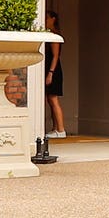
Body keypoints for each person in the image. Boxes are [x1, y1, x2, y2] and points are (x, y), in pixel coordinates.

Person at [43, 9, 67, 139]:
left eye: (47, 18)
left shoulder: (54, 36)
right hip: (50, 70)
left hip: (54, 71)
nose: (45, 21)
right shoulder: (49, 35)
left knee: (53, 99)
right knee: (50, 99)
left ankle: (61, 129)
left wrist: (50, 73)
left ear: (53, 19)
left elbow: (55, 56)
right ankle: (55, 128)